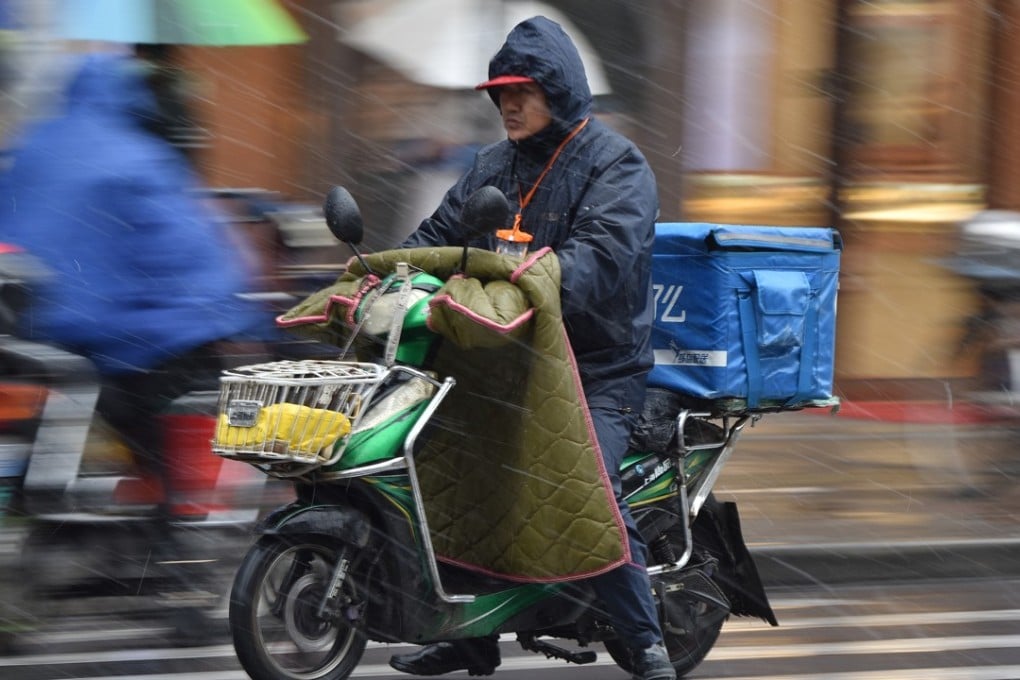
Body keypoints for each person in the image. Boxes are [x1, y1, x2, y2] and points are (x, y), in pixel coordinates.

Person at [387, 16, 676, 680]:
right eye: (500, 93)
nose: (509, 105)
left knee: (583, 485)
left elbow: (598, 261)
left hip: (596, 371)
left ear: (560, 90)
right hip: (503, 358)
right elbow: (437, 236)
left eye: (523, 90)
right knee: (444, 465)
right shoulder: (492, 165)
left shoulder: (617, 165)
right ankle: (470, 633)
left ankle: (645, 639)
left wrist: (523, 288)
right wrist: (381, 274)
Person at [0, 52, 264, 508]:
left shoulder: (31, 148)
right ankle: (165, 532)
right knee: (163, 418)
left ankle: (41, 512)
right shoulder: (140, 156)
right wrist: (242, 317)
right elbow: (189, 247)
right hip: (119, 339)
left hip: (34, 331)